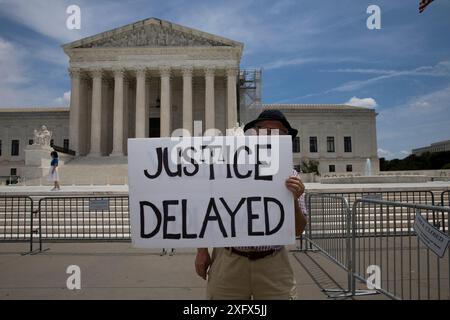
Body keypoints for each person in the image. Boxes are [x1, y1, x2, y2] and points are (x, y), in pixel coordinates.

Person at [194, 109, 308, 300]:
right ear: (253, 135)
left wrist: (294, 200)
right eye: (264, 131)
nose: (271, 137)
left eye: (279, 133)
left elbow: (298, 230)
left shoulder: (292, 177)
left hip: (274, 264)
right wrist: (201, 251)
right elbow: (206, 210)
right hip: (229, 261)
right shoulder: (226, 169)